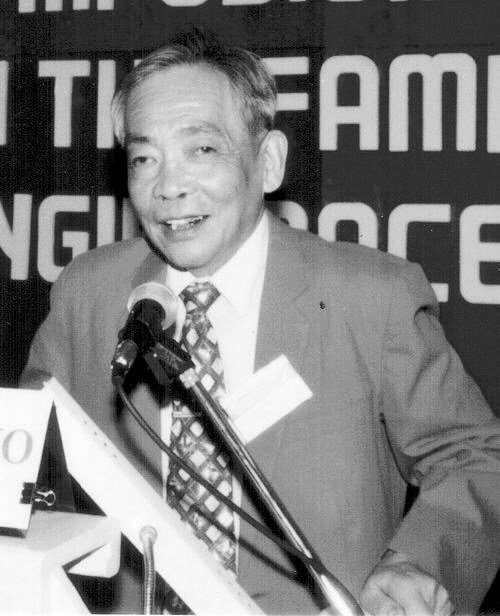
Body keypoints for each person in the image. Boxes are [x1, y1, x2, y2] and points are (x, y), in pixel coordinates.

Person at [21, 29, 500, 615]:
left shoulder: (370, 298)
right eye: (144, 158)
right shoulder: (88, 293)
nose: (167, 187)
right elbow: (27, 463)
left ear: (268, 162)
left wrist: (419, 564)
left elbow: (476, 457)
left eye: (202, 150)